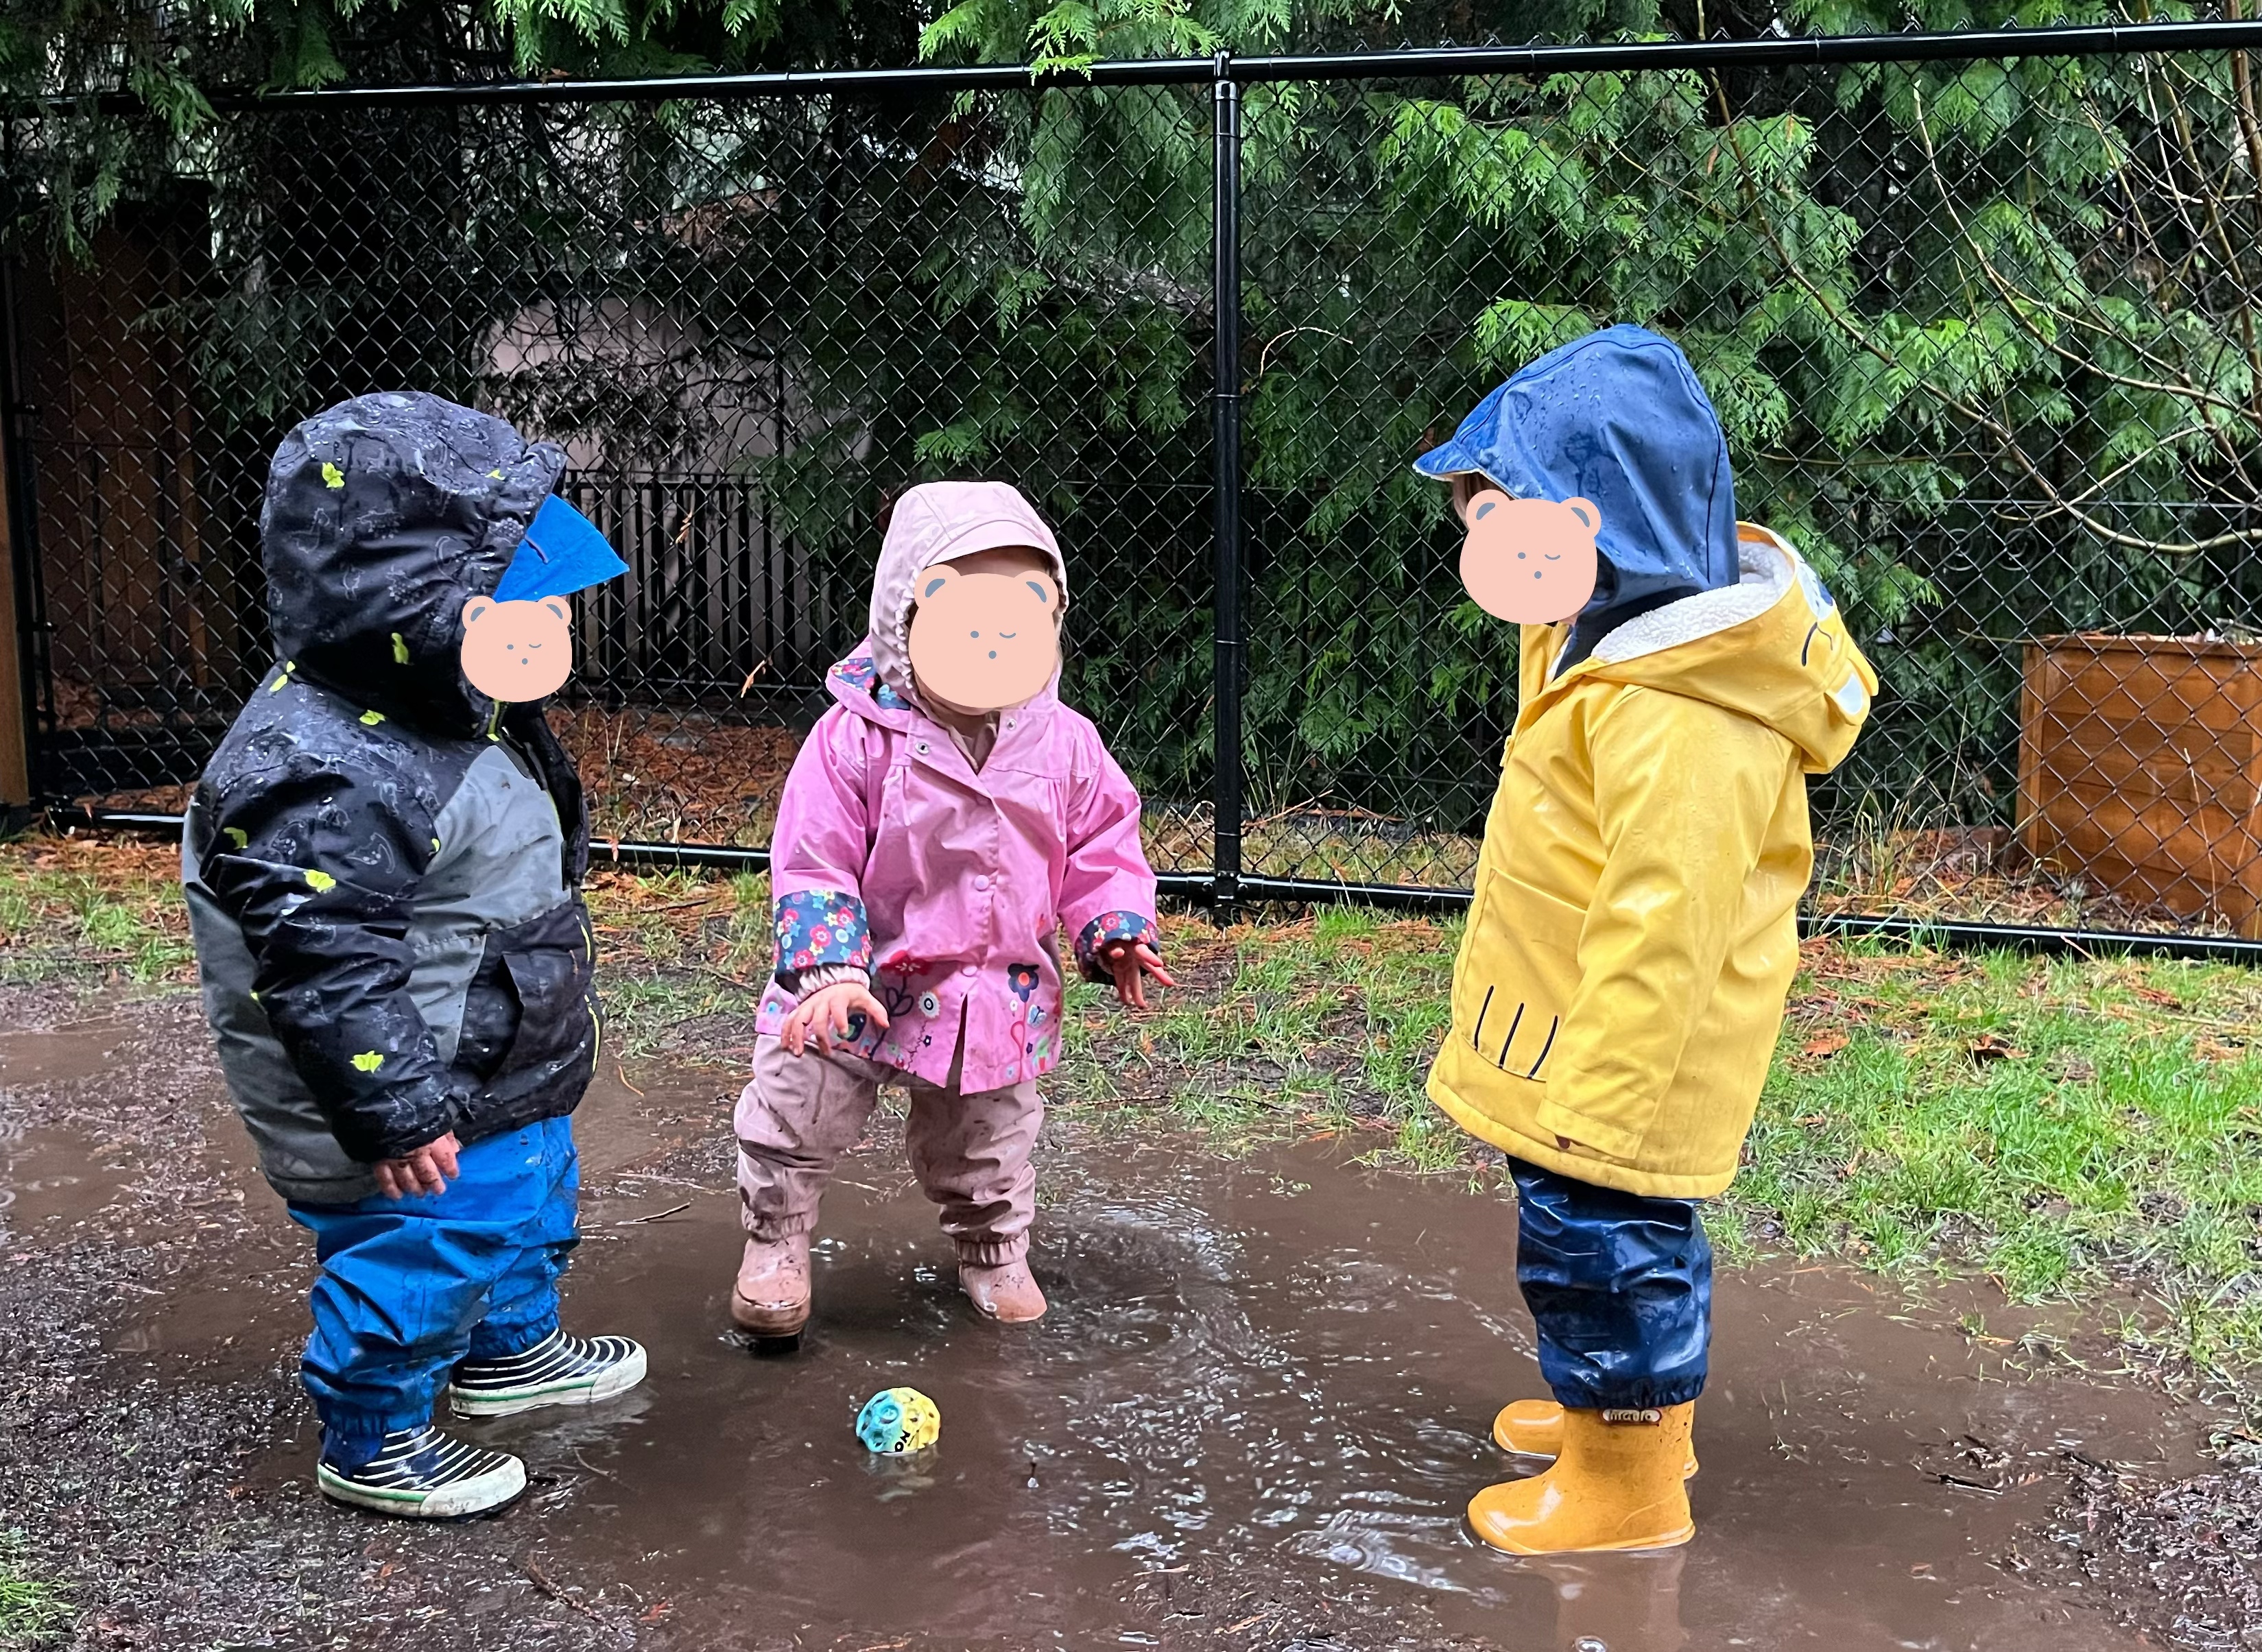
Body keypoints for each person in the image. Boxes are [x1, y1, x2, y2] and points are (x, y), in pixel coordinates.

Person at [1417, 326, 1877, 1553]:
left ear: (1598, 529)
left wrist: (1606, 1104)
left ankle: (1626, 1484)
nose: (1479, 551)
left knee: (1608, 1248)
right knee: (1582, 1244)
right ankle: (1612, 1419)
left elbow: (1665, 923)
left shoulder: (1683, 715)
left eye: (1497, 520)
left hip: (1617, 1056)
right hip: (1572, 1030)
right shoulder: (1604, 645)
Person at [182, 392, 645, 1520]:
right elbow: (320, 959)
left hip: (492, 1049)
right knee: (424, 1250)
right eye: (502, 595)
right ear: (404, 600)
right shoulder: (319, 766)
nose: (542, 621)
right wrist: (393, 1114)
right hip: (408, 1090)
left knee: (529, 1201)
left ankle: (507, 1355)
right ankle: (375, 1429)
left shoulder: (447, 702)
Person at [730, 479, 1172, 1337]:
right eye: (966, 621)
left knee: (989, 1137)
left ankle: (993, 1250)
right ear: (908, 614)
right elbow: (813, 853)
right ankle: (774, 1246)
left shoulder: (1066, 742)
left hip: (988, 987)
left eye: (1019, 619)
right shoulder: (854, 737)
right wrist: (825, 969)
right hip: (857, 978)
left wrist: (1113, 927)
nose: (992, 645)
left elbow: (1102, 845)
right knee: (796, 1108)